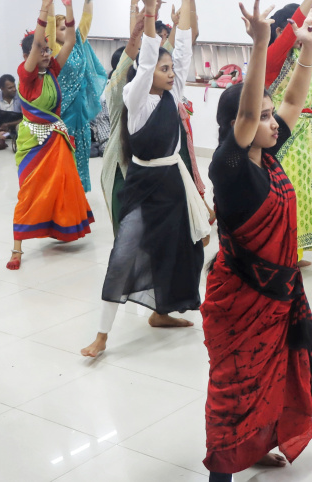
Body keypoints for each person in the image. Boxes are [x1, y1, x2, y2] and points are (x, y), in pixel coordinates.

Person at [202, 4, 312, 480]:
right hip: (239, 302)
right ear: (242, 125)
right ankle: (222, 472)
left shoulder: (268, 159)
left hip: (276, 299)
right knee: (235, 390)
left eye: (273, 118)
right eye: (265, 118)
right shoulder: (230, 169)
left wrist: (309, 49)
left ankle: (255, 447)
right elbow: (252, 110)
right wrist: (259, 45)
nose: (275, 122)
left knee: (269, 381)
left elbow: (291, 101)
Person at [80, 0, 210, 357]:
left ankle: (162, 313)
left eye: (171, 69)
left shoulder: (174, 93)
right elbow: (150, 57)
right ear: (147, 71)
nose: (170, 73)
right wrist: (150, 16)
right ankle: (102, 335)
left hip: (172, 184)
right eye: (163, 68)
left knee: (178, 251)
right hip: (142, 184)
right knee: (123, 255)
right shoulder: (134, 98)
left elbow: (183, 46)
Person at [7, 0, 94, 270]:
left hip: (56, 141)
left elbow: (68, 42)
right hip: (33, 143)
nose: (46, 53)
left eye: (47, 49)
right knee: (30, 193)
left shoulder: (52, 70)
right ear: (28, 56)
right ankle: (16, 249)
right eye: (41, 50)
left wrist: (68, 9)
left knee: (61, 187)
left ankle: (58, 229)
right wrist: (45, 9)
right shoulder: (27, 76)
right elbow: (34, 44)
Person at [264, 0, 312, 267]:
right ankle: (283, 254)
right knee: (288, 195)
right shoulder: (273, 57)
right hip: (284, 135)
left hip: (306, 135)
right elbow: (290, 36)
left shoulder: (302, 52)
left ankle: (294, 252)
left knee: (304, 195)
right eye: (302, 26)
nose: (308, 33)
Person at [47, 0, 107, 193]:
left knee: (81, 154)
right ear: (54, 34)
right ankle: (61, 194)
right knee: (62, 156)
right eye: (63, 28)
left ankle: (78, 193)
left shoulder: (79, 44)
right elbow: (49, 21)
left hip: (80, 115)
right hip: (62, 115)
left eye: (68, 27)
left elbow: (86, 20)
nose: (68, 31)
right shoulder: (55, 50)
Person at [100, 0, 148, 234]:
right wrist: (136, 33)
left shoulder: (151, 94)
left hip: (146, 166)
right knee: (127, 233)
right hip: (121, 164)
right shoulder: (117, 91)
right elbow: (128, 59)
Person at [162, 1, 213, 222]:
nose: (166, 37)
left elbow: (191, 35)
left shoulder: (172, 61)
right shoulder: (156, 59)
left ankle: (198, 210)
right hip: (164, 141)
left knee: (187, 169)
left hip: (179, 124)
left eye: (167, 33)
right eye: (162, 34)